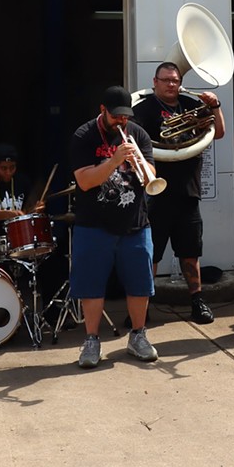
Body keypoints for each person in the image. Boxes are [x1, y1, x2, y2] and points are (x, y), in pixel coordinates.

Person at [68, 86, 160, 369]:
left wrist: (140, 163)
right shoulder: (84, 136)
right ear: (102, 110)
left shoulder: (137, 133)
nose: (121, 122)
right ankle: (92, 339)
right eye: (116, 117)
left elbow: (152, 175)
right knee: (92, 285)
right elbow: (84, 181)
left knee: (139, 283)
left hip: (134, 222)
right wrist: (115, 160)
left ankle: (138, 335)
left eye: (125, 117)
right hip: (93, 224)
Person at [132, 61, 225, 324]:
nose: (171, 84)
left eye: (175, 80)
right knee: (151, 253)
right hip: (155, 191)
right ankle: (143, 307)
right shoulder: (143, 108)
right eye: (166, 80)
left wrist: (215, 107)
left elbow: (219, 132)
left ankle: (197, 301)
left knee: (190, 252)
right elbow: (132, 141)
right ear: (155, 82)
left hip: (188, 190)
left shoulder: (192, 105)